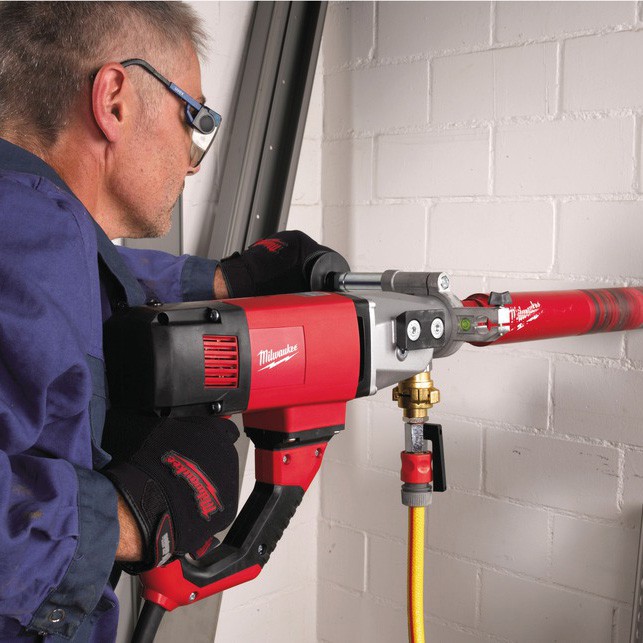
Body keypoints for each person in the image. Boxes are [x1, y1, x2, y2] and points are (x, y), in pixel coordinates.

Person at [0, 2, 335, 640]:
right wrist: (133, 516)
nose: (195, 160)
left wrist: (224, 281)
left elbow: (92, 270)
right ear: (114, 101)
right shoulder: (33, 244)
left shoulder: (37, 229)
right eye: (196, 119)